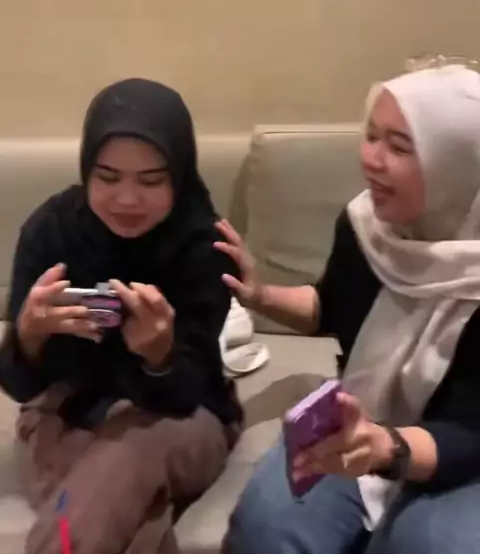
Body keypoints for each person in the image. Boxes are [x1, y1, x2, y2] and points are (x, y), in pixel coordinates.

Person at [215, 64, 480, 554]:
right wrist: (261, 294)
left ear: (456, 163)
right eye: (371, 136)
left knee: (429, 542)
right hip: (365, 421)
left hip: (463, 451)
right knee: (267, 523)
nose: (371, 160)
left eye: (399, 147)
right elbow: (332, 307)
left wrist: (388, 448)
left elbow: (472, 431)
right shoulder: (367, 226)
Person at [0, 78, 243, 554]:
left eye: (151, 181)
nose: (127, 199)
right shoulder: (52, 231)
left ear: (179, 175)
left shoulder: (204, 247)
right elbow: (20, 386)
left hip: (183, 417)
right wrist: (28, 337)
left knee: (123, 458)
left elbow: (187, 393)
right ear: (86, 169)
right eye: (108, 178)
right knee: (127, 517)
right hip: (64, 409)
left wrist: (160, 357)